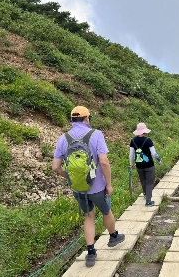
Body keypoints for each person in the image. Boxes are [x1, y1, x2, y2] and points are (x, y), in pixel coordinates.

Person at [52, 106, 125, 267]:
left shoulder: (63, 138)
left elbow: (56, 167)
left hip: (78, 188)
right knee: (106, 211)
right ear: (87, 119)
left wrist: (70, 177)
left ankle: (91, 252)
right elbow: (104, 162)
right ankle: (113, 237)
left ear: (72, 120)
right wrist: (109, 184)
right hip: (98, 187)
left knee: (89, 216)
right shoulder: (96, 134)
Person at [129, 122, 161, 207]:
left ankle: (146, 194)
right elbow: (154, 153)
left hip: (139, 165)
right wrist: (159, 160)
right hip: (149, 165)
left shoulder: (133, 141)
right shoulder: (148, 140)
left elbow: (131, 154)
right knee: (149, 182)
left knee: (143, 180)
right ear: (144, 131)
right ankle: (148, 201)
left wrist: (131, 164)